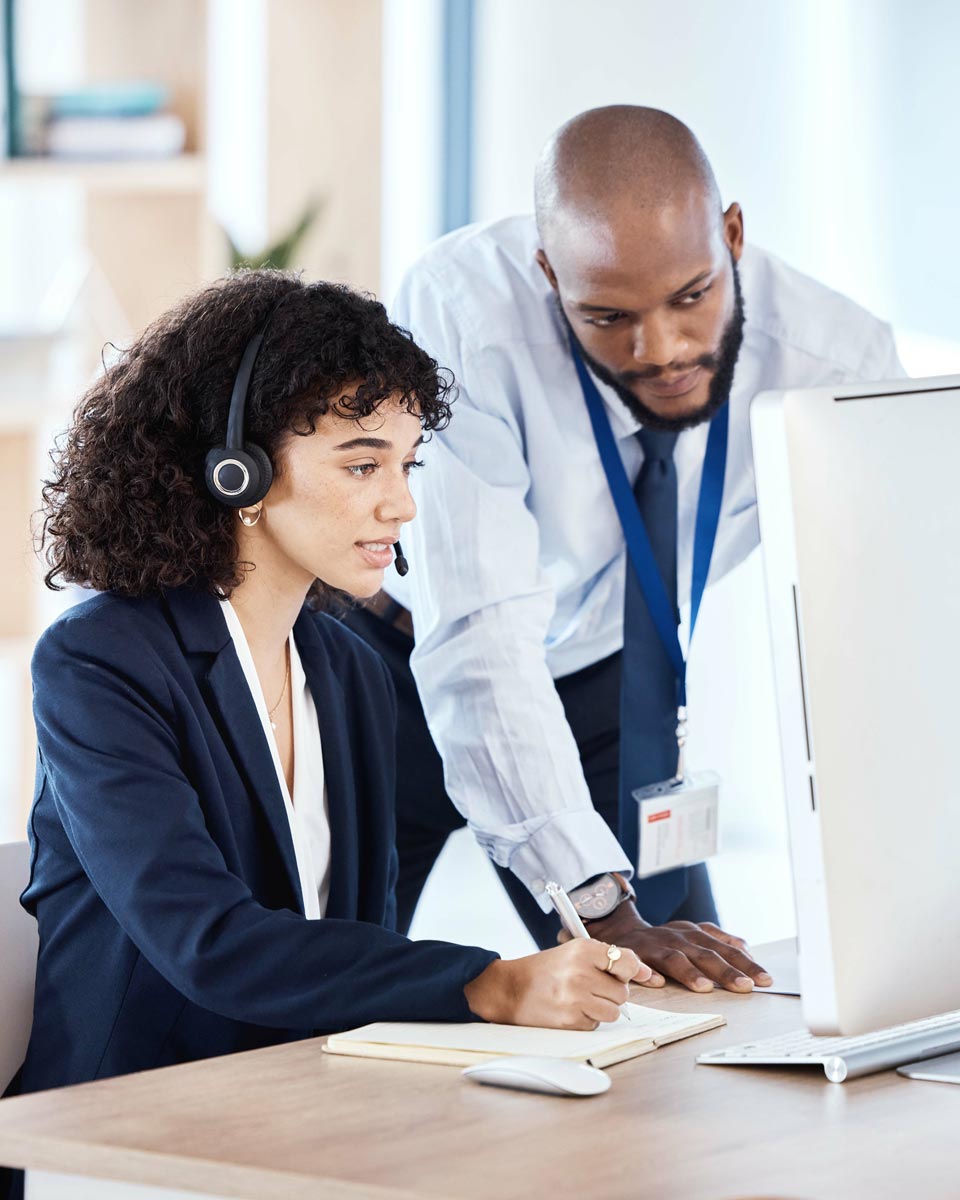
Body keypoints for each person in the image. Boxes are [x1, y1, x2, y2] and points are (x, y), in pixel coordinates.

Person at [5, 273, 644, 1138]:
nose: (402, 503)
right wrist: (489, 982)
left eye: (407, 464)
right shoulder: (99, 662)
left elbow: (356, 941)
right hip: (126, 1133)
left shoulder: (349, 671)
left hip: (308, 1111)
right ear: (242, 473)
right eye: (362, 463)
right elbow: (208, 941)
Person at [344, 106, 905, 992]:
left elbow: (888, 617)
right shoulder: (463, 310)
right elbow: (481, 633)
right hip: (392, 660)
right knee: (336, 997)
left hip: (613, 673)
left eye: (692, 296)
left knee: (695, 995)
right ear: (547, 274)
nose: (664, 349)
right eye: (608, 316)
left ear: (732, 235)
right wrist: (602, 910)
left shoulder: (838, 365)